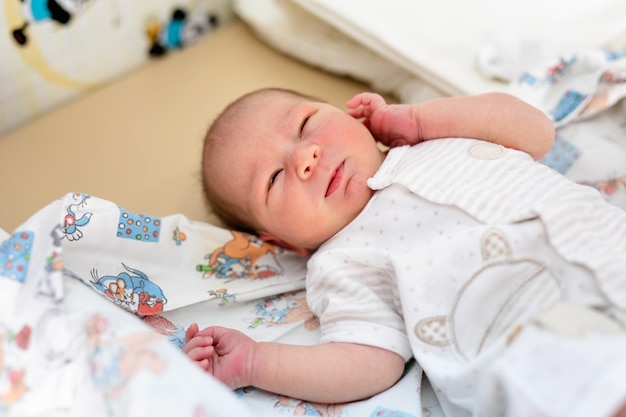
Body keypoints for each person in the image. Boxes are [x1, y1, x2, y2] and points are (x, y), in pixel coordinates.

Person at [185, 88, 626, 417]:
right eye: (274, 180)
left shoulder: (432, 137)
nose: (306, 156)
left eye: (306, 125)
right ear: (282, 242)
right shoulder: (340, 262)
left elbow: (536, 131)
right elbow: (367, 361)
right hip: (534, 340)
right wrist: (257, 362)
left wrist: (418, 120)